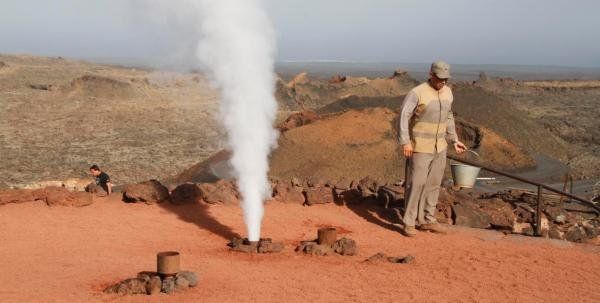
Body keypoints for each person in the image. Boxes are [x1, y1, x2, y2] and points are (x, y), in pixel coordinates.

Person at [398, 60, 467, 237]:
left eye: (446, 79)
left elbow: (449, 116)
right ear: (431, 74)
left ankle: (428, 220)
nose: (443, 82)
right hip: (420, 147)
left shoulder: (448, 92)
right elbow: (404, 116)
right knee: (416, 184)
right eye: (440, 78)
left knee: (434, 184)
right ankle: (409, 222)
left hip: (440, 147)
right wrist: (405, 141)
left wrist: (454, 139)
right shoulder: (417, 93)